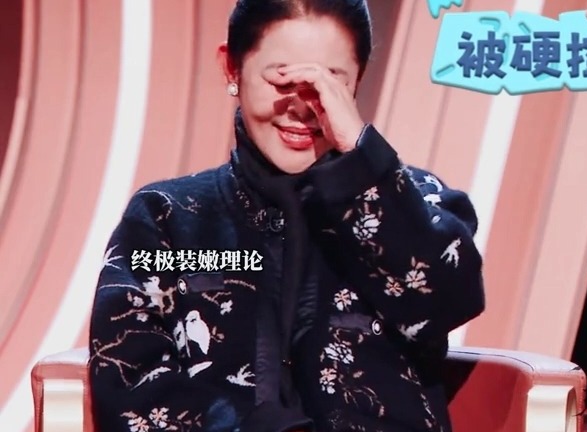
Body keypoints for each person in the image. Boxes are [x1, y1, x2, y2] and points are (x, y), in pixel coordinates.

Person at [86, 0, 485, 431]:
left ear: (357, 82)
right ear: (231, 68)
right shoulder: (166, 219)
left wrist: (362, 164)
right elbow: (130, 379)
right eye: (281, 79)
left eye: (329, 81)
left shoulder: (416, 201)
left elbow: (451, 302)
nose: (302, 107)